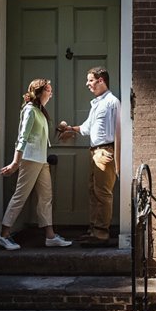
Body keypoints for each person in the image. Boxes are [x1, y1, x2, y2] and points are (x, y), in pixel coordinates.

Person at [0, 79, 72, 250]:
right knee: (20, 196)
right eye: (48, 90)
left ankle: (50, 236)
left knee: (46, 198)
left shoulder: (40, 111)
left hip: (41, 160)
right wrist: (16, 162)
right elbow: (23, 137)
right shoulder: (30, 110)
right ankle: (4, 235)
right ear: (39, 92)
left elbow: (41, 137)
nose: (51, 94)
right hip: (29, 159)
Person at [59, 67, 120, 245]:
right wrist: (70, 129)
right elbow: (86, 128)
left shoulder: (112, 102)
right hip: (94, 152)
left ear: (101, 80)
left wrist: (116, 158)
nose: (87, 84)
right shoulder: (97, 104)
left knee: (102, 193)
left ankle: (101, 234)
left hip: (105, 151)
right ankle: (93, 231)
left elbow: (119, 131)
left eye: (90, 80)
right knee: (93, 192)